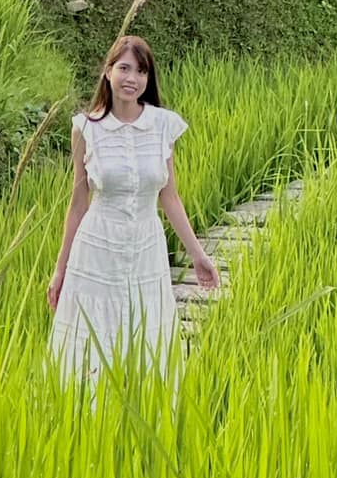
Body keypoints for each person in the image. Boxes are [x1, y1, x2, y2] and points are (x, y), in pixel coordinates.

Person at [48, 35, 219, 381]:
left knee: (145, 331)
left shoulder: (162, 125)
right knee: (93, 335)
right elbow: (78, 204)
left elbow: (169, 197)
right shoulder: (86, 128)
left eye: (141, 71)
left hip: (146, 245)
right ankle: (87, 415)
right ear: (107, 72)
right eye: (124, 68)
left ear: (148, 79)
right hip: (97, 247)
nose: (132, 78)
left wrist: (198, 255)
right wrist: (59, 268)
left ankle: (142, 414)